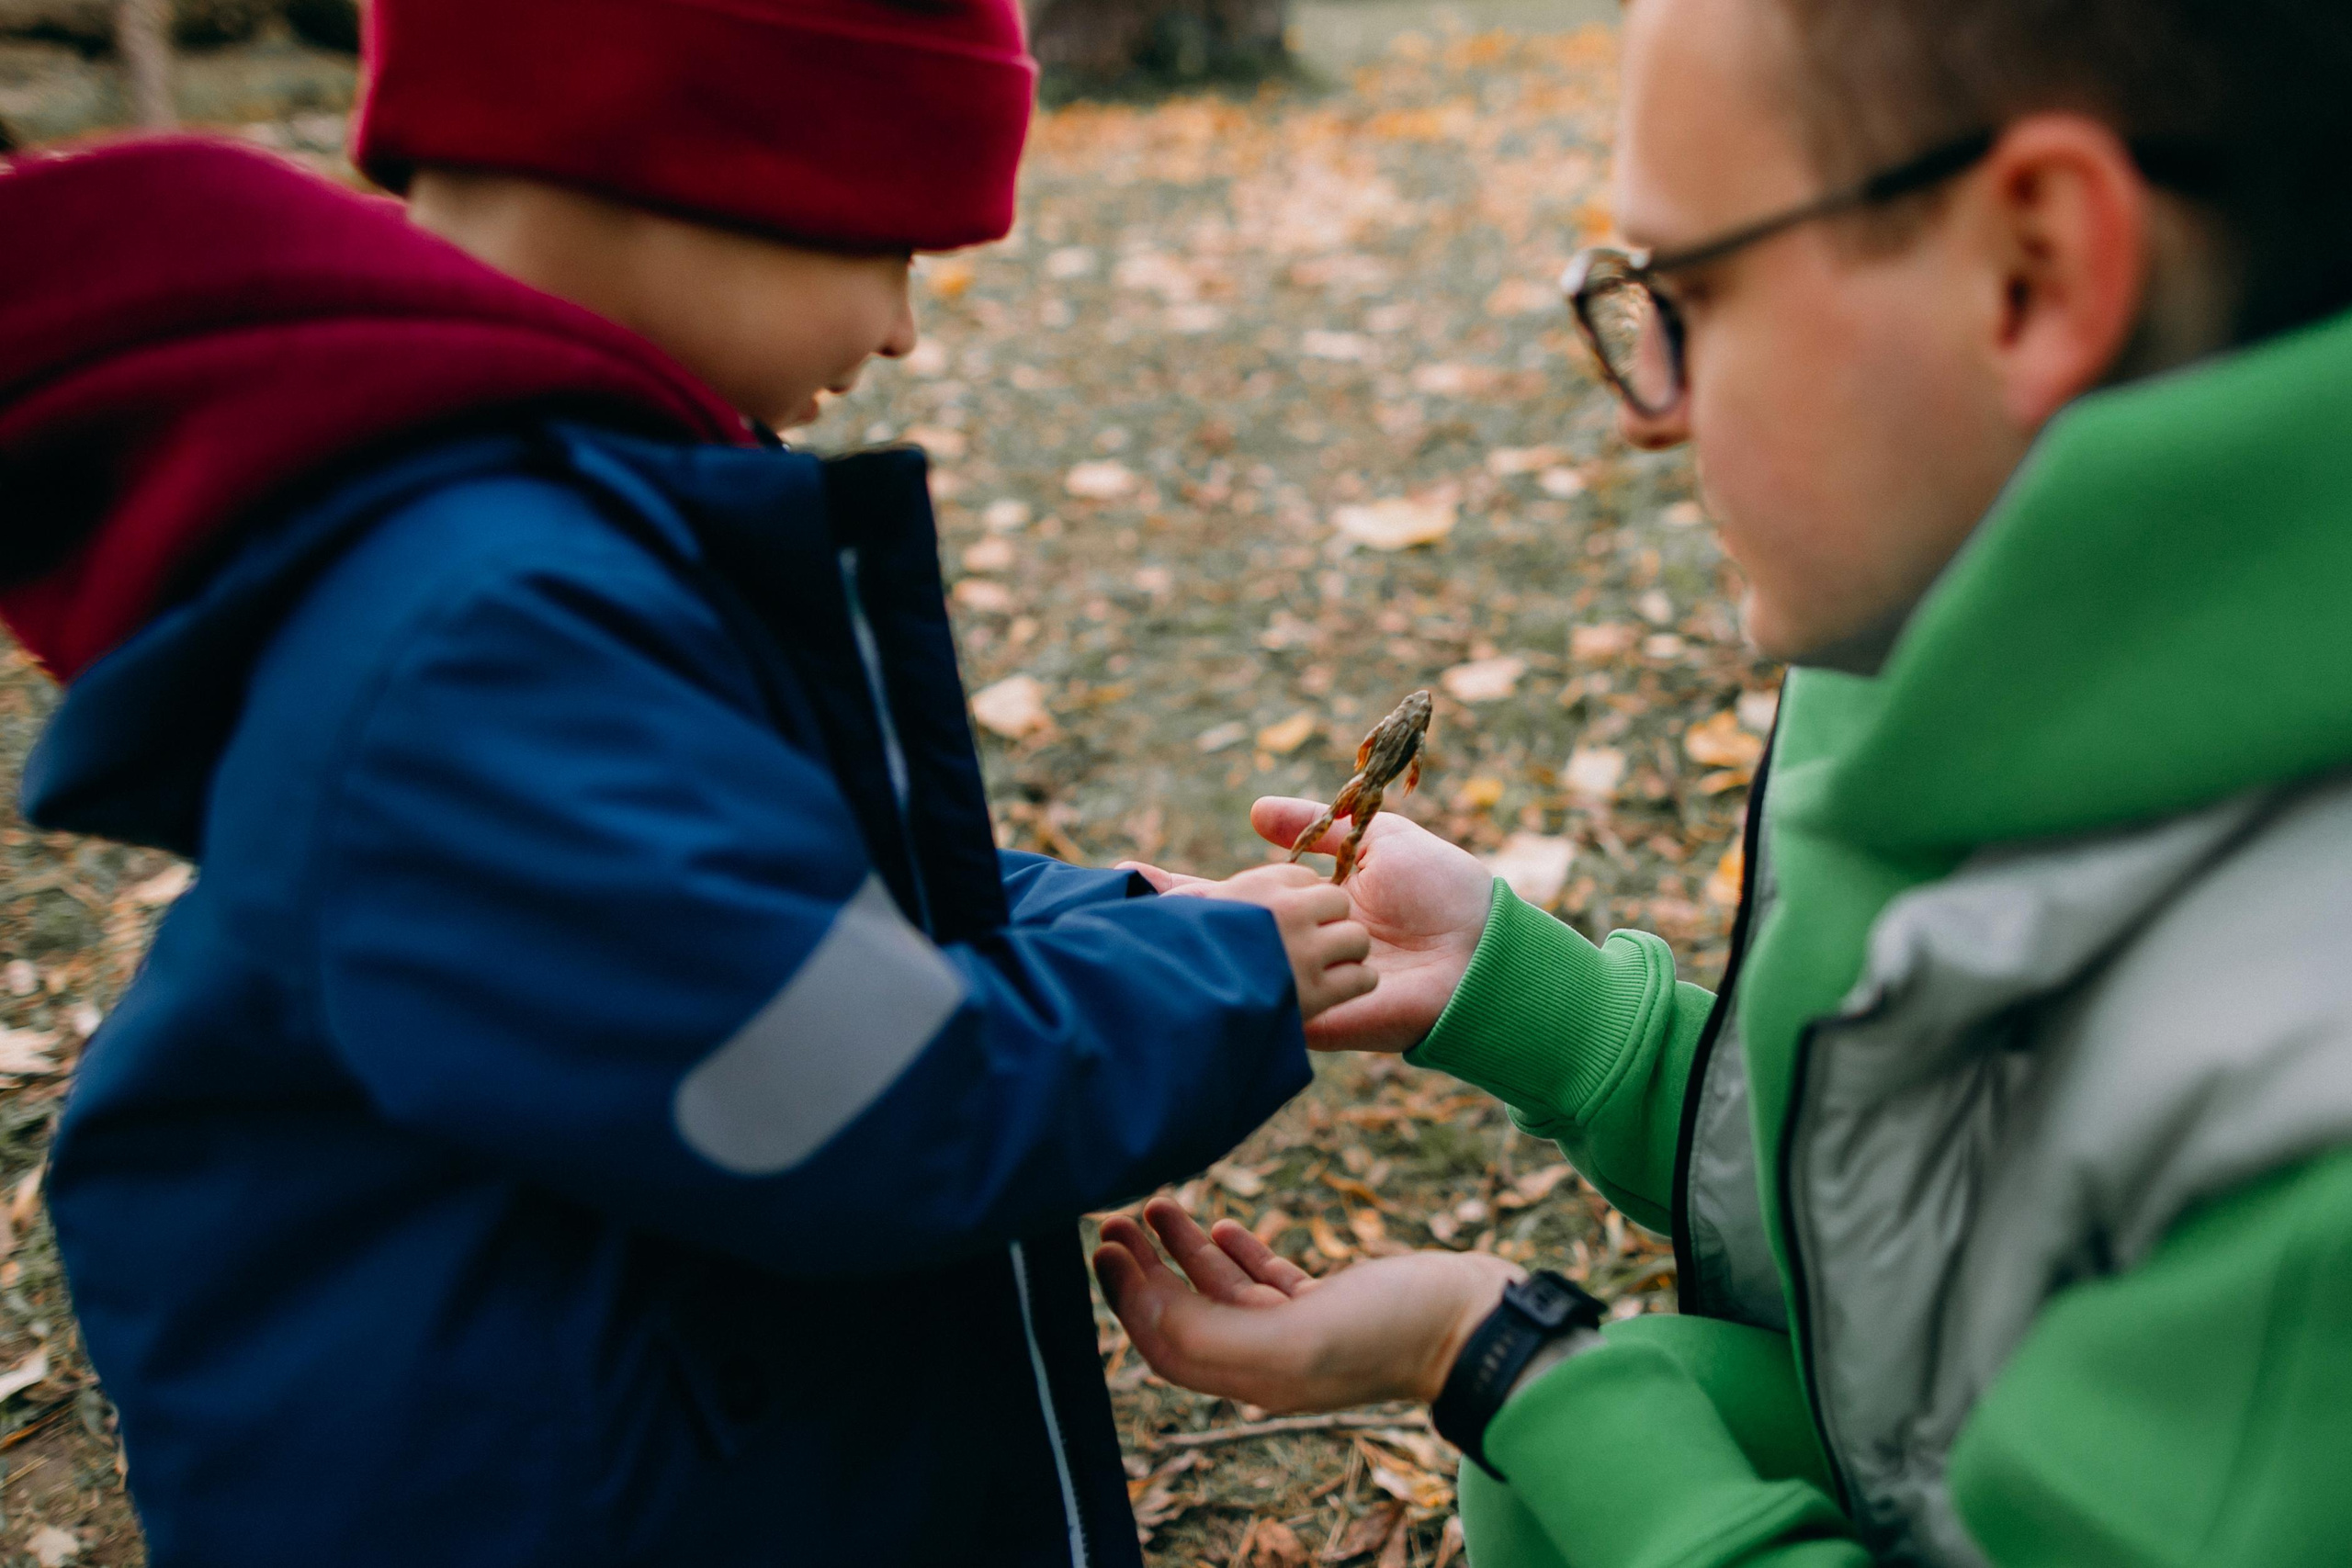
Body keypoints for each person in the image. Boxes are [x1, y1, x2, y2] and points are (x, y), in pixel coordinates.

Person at [0, 1, 1375, 1562]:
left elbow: (781, 908)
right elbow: (846, 1102)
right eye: (892, 246)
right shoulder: (484, 628)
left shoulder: (537, 539)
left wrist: (1125, 913)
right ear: (696, 163)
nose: (905, 328)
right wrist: (1210, 985)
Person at [1100, 1, 2352, 1563]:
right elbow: (1949, 1199)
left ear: (2034, 271)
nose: (1647, 412)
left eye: (1685, 295)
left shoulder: (2313, 1156)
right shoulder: (1918, 659)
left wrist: (1499, 1363)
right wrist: (1548, 1007)